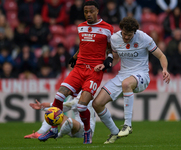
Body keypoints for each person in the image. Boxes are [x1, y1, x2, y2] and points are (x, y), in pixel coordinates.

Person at [38, 1, 113, 144]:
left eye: (91, 11)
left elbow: (110, 48)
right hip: (79, 68)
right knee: (59, 95)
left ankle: (87, 131)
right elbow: (83, 45)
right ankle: (53, 129)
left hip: (93, 71)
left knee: (81, 106)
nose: (88, 14)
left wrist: (108, 59)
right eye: (86, 12)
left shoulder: (107, 28)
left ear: (97, 11)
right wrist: (74, 56)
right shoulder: (81, 27)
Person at [92, 16, 171, 144]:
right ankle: (114, 131)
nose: (126, 37)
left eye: (129, 35)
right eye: (124, 34)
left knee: (127, 84)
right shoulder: (115, 38)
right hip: (122, 74)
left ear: (134, 32)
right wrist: (105, 64)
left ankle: (127, 125)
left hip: (141, 75)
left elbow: (161, 55)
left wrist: (165, 69)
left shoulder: (144, 38)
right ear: (121, 30)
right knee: (97, 103)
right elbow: (116, 58)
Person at [24, 92, 96, 139]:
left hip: (86, 130)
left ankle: (58, 135)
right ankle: (39, 133)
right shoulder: (73, 96)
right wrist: (42, 108)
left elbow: (72, 104)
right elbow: (61, 108)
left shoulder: (85, 93)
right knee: (52, 113)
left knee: (69, 121)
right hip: (73, 129)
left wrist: (49, 104)